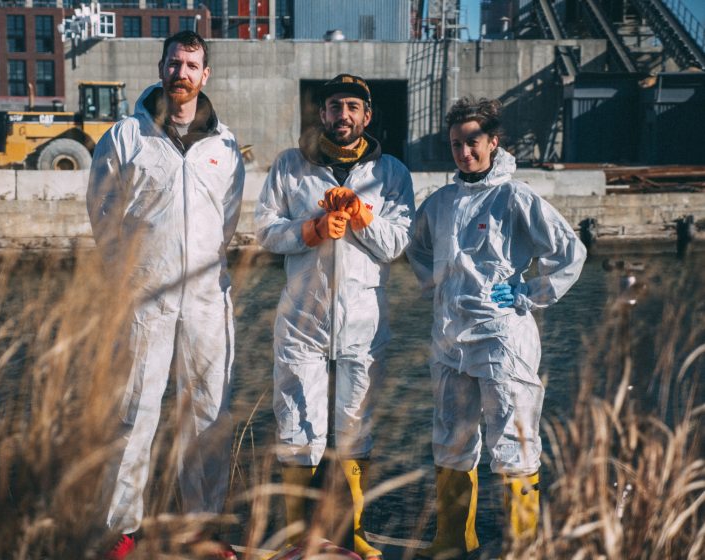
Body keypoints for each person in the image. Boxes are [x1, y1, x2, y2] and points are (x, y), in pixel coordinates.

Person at [86, 30, 245, 560]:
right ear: (161, 68)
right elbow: (103, 217)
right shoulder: (126, 137)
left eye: (192, 64)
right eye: (174, 62)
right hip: (143, 297)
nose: (182, 72)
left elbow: (227, 223)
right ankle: (120, 531)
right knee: (134, 414)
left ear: (206, 76)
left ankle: (202, 530)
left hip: (205, 298)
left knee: (206, 414)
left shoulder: (224, 147)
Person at [407, 97, 586, 558]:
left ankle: (520, 547)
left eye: (472, 142)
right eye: (456, 144)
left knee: (513, 443)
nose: (464, 152)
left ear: (492, 142)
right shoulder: (443, 201)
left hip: (503, 341)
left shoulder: (515, 197)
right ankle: (452, 539)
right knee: (451, 440)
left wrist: (528, 294)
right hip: (450, 342)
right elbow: (417, 247)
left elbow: (570, 253)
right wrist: (438, 287)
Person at [254, 74, 415, 560]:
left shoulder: (392, 173)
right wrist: (311, 228)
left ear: (366, 116)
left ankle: (348, 535)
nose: (342, 115)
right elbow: (265, 231)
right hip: (303, 320)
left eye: (352, 107)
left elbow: (397, 244)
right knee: (298, 427)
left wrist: (362, 216)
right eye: (333, 106)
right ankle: (297, 540)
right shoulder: (290, 165)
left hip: (362, 322)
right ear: (321, 114)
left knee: (354, 428)